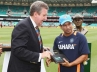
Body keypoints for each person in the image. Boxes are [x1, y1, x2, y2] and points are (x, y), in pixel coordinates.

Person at [7, 1, 51, 72]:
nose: (46, 18)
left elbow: (28, 42)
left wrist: (40, 47)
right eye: (44, 15)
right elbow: (18, 50)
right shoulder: (23, 26)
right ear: (36, 14)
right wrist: (41, 55)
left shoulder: (34, 26)